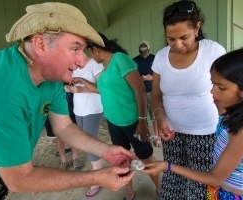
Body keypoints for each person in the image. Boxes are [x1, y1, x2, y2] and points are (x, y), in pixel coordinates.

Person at [0, 3, 137, 200]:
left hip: (6, 176)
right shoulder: (0, 89)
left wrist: (105, 151)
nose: (81, 61)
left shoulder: (51, 75)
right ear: (40, 45)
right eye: (75, 49)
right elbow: (19, 178)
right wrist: (95, 176)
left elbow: (63, 127)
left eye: (84, 50)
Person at [142, 47, 243, 200]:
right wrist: (166, 122)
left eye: (221, 87)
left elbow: (215, 178)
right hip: (222, 191)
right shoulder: (232, 111)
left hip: (236, 196)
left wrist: (167, 166)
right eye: (212, 83)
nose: (212, 91)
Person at [149, 1, 226, 199]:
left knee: (199, 186)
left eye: (184, 37)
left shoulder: (213, 51)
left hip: (205, 132)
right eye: (170, 39)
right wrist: (160, 118)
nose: (177, 45)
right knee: (173, 181)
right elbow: (156, 95)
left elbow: (226, 90)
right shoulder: (160, 57)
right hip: (171, 133)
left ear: (197, 27)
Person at [73, 32, 161, 200]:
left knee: (146, 157)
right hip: (114, 123)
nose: (90, 56)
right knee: (122, 159)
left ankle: (160, 188)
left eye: (89, 52)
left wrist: (142, 121)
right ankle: (129, 192)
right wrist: (82, 80)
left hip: (132, 121)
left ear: (95, 49)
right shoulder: (105, 68)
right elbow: (101, 89)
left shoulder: (119, 59)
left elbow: (140, 89)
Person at [65, 53, 104, 197]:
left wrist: (81, 85)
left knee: (89, 142)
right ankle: (97, 172)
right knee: (84, 141)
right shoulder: (74, 67)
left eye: (76, 51)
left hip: (93, 110)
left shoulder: (95, 64)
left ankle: (98, 178)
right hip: (79, 109)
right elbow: (70, 84)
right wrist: (71, 88)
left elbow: (100, 88)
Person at [45, 90, 83, 170]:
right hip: (51, 104)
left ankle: (75, 158)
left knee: (72, 131)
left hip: (68, 102)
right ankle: (63, 160)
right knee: (57, 135)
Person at [133, 41, 161, 148]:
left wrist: (152, 78)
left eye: (145, 51)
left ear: (149, 49)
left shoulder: (155, 59)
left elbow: (161, 75)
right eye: (142, 51)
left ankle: (158, 138)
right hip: (140, 92)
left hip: (153, 91)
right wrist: (140, 79)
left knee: (154, 116)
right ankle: (141, 136)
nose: (143, 53)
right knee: (139, 115)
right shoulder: (135, 60)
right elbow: (132, 76)